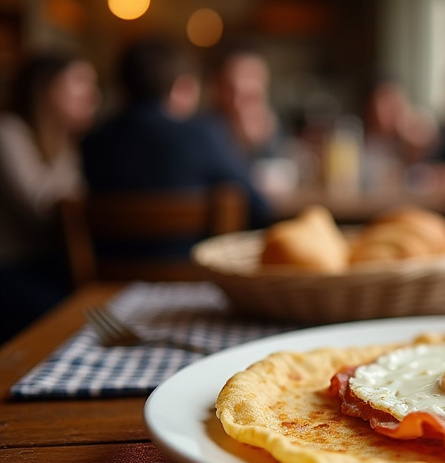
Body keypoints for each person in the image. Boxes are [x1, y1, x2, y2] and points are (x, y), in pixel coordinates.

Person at [81, 36, 272, 239]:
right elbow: (258, 208)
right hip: (193, 268)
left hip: (109, 269)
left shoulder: (91, 143)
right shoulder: (203, 135)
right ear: (181, 87)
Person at [0, 52, 99, 342]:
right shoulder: (8, 132)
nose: (92, 94)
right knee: (79, 320)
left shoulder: (64, 140)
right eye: (80, 82)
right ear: (45, 88)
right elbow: (40, 206)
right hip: (10, 269)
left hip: (46, 264)